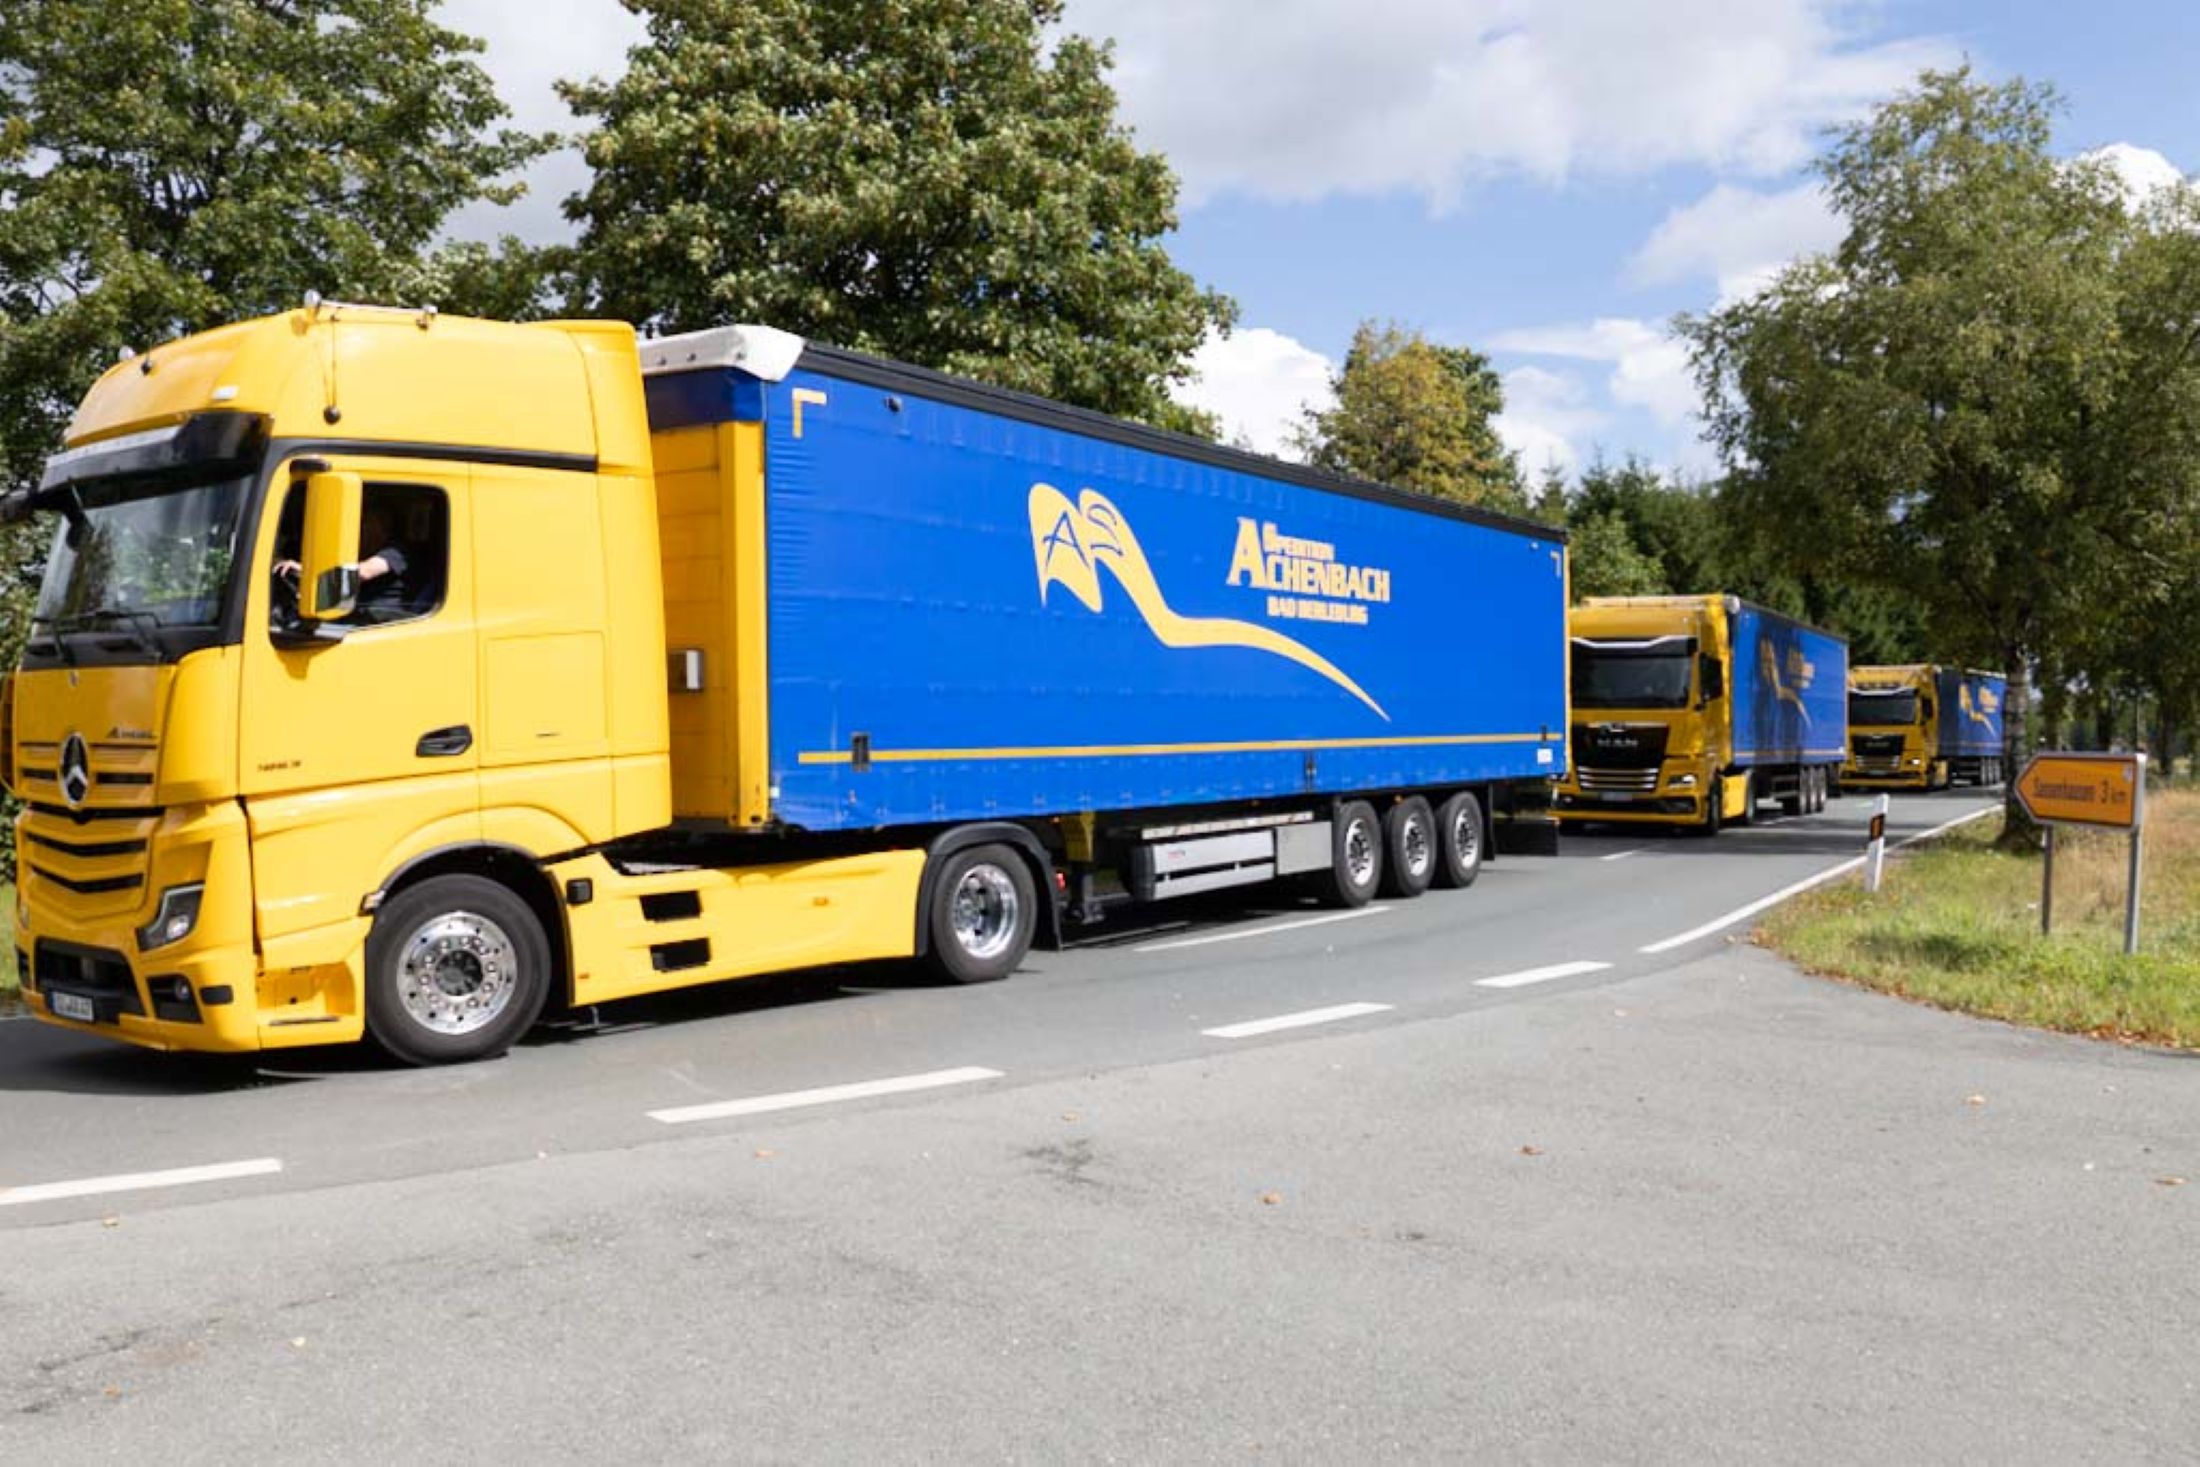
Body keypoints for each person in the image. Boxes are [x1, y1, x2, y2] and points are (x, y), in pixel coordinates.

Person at [274, 505, 412, 618]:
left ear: (384, 527)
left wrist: (309, 573)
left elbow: (364, 572)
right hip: (350, 614)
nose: (361, 529)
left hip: (380, 620)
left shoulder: (396, 551)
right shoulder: (355, 551)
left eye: (366, 523)